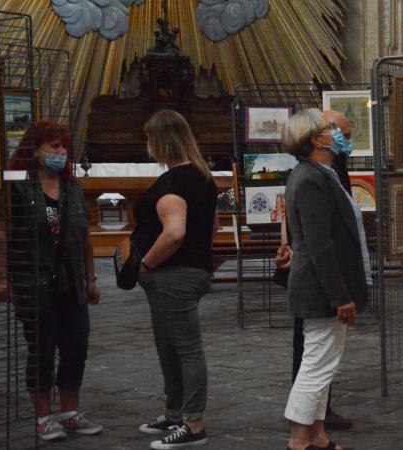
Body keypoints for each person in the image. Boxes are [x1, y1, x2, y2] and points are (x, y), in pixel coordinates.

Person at [0, 120, 103, 441]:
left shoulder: (72, 189)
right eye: (55, 147)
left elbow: (84, 237)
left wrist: (91, 278)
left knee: (75, 348)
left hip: (72, 282)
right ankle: (43, 417)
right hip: (34, 282)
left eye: (64, 147)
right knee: (40, 350)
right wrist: (1, 279)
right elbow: (2, 234)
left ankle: (70, 412)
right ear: (35, 150)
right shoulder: (19, 189)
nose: (62, 153)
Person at [281, 108, 371, 450]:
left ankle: (317, 435)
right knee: (316, 366)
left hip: (323, 288)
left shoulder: (322, 173)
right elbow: (320, 247)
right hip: (319, 290)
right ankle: (299, 440)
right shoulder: (310, 179)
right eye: (332, 128)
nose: (340, 133)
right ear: (317, 139)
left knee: (324, 364)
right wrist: (340, 296)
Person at [132, 109, 217, 449]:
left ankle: (193, 424)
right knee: (169, 346)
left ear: (159, 141)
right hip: (190, 271)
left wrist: (146, 265)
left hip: (173, 274)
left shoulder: (172, 183)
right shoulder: (204, 177)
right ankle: (175, 412)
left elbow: (174, 233)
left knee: (186, 348)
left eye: (149, 139)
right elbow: (210, 228)